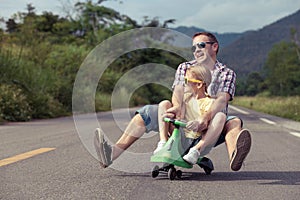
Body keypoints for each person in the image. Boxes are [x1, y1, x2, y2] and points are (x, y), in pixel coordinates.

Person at [94, 32, 251, 171]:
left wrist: (205, 118)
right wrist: (177, 106)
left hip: (211, 126)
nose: (196, 50)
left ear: (214, 46)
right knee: (148, 111)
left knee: (233, 122)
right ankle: (112, 154)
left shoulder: (226, 73)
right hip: (183, 120)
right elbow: (177, 91)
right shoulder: (184, 67)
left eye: (201, 45)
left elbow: (222, 99)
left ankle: (235, 157)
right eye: (194, 47)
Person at [155, 63, 226, 165]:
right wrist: (171, 116)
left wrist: (198, 123)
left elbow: (206, 125)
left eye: (186, 81)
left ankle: (196, 150)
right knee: (164, 104)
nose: (184, 84)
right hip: (180, 137)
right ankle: (163, 142)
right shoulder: (185, 99)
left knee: (221, 116)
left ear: (199, 84)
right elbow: (180, 116)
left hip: (196, 140)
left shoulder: (210, 102)